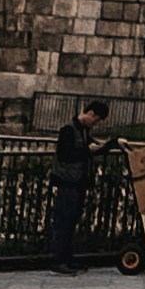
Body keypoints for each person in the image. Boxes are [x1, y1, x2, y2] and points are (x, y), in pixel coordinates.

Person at [47, 99, 110, 273]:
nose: (95, 123)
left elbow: (89, 148)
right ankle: (58, 260)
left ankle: (66, 258)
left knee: (71, 220)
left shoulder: (83, 130)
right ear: (90, 114)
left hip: (78, 181)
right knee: (64, 221)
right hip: (68, 181)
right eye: (96, 120)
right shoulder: (68, 129)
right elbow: (65, 154)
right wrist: (88, 151)